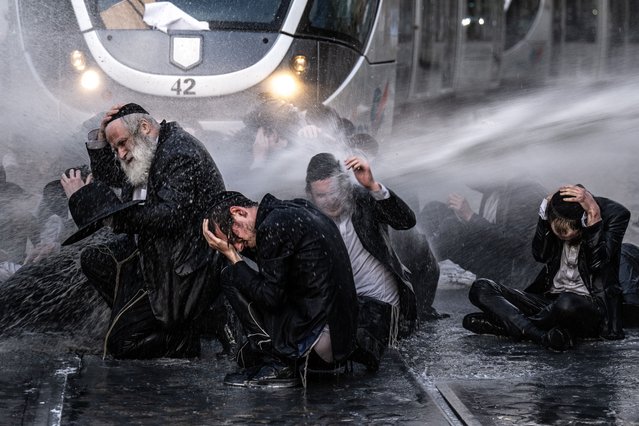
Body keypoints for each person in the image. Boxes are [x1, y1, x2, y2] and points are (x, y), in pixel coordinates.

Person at [60, 103, 226, 359]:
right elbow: (113, 177)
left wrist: (111, 216)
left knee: (120, 345)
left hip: (185, 264)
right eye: (116, 148)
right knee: (94, 259)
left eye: (122, 143)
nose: (121, 153)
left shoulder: (180, 152)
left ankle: (180, 337)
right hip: (156, 251)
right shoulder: (147, 149)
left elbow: (170, 215)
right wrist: (101, 141)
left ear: (145, 128)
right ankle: (137, 317)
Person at [202, 190, 358, 387]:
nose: (238, 247)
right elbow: (274, 270)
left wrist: (231, 256)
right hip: (339, 341)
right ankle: (274, 358)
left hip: (319, 345)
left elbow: (270, 298)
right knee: (240, 273)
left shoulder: (273, 227)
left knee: (231, 275)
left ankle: (278, 365)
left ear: (238, 212)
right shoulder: (293, 210)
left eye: (234, 239)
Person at [463, 185, 630, 351]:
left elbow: (597, 264)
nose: (563, 237)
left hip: (589, 307)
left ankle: (512, 325)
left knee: (566, 302)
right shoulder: (553, 213)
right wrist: (544, 215)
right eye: (558, 232)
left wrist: (594, 219)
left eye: (569, 233)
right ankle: (540, 335)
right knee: (481, 287)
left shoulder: (615, 216)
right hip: (549, 302)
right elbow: (540, 255)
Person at [305, 152, 423, 371]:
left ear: (345, 186)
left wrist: (373, 186)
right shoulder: (309, 218)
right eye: (321, 196)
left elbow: (406, 221)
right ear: (311, 195)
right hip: (342, 305)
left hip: (381, 306)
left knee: (348, 349)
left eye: (334, 192)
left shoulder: (362, 201)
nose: (330, 200)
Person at [421, 179, 547, 289]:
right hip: (490, 249)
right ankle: (414, 249)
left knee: (451, 229)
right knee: (434, 209)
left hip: (506, 269)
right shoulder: (496, 185)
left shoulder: (525, 193)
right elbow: (474, 180)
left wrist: (470, 216)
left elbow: (513, 243)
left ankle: (419, 261)